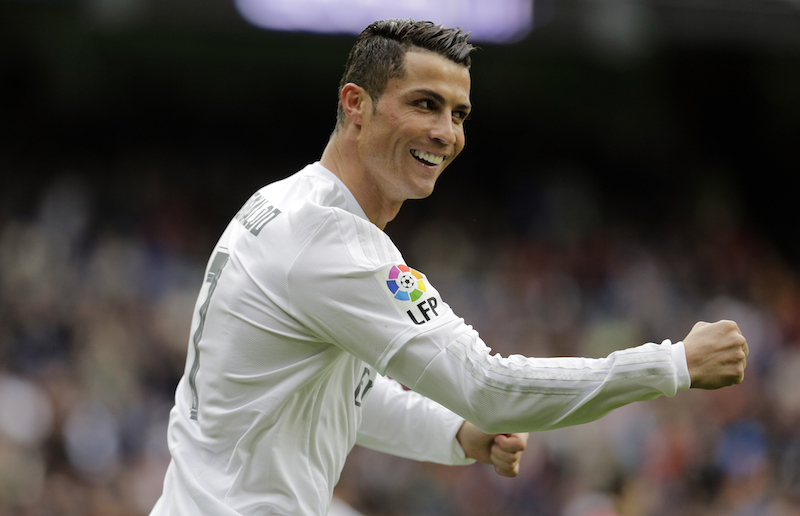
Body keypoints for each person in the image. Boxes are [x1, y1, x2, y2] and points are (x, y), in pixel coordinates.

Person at [149, 19, 748, 516]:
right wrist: (673, 364)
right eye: (425, 104)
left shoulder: (284, 202)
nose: (445, 133)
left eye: (459, 114)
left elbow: (341, 394)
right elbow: (487, 387)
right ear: (356, 104)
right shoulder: (329, 242)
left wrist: (456, 434)